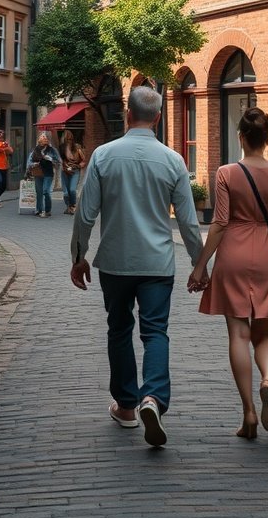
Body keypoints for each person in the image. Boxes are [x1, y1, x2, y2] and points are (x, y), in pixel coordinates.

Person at [70, 86, 205, 448]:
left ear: (127, 114)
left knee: (119, 329)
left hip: (115, 262)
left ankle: (127, 406)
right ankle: (153, 398)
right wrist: (199, 263)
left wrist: (79, 256)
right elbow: (188, 222)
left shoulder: (103, 156)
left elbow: (85, 213)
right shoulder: (173, 161)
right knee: (155, 332)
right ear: (158, 118)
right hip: (157, 263)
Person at [187, 107, 268, 441]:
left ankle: (248, 413)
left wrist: (200, 266)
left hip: (233, 254)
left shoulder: (226, 173)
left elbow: (219, 223)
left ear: (241, 137)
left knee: (238, 336)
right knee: (264, 336)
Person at [27, 132, 61, 217]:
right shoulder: (35, 150)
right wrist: (34, 164)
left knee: (46, 191)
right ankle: (39, 210)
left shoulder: (52, 150)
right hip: (38, 172)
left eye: (45, 137)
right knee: (39, 192)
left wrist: (50, 159)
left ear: (48, 139)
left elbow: (58, 162)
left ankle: (47, 210)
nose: (43, 138)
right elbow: (29, 163)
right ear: (39, 139)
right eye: (42, 136)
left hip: (48, 173)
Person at [59, 130, 86, 215]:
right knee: (66, 193)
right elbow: (59, 160)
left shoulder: (77, 148)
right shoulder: (61, 148)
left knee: (72, 190)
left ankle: (73, 206)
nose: (69, 141)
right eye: (67, 139)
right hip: (65, 171)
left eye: (70, 139)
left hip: (75, 171)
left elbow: (83, 160)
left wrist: (78, 166)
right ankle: (68, 207)